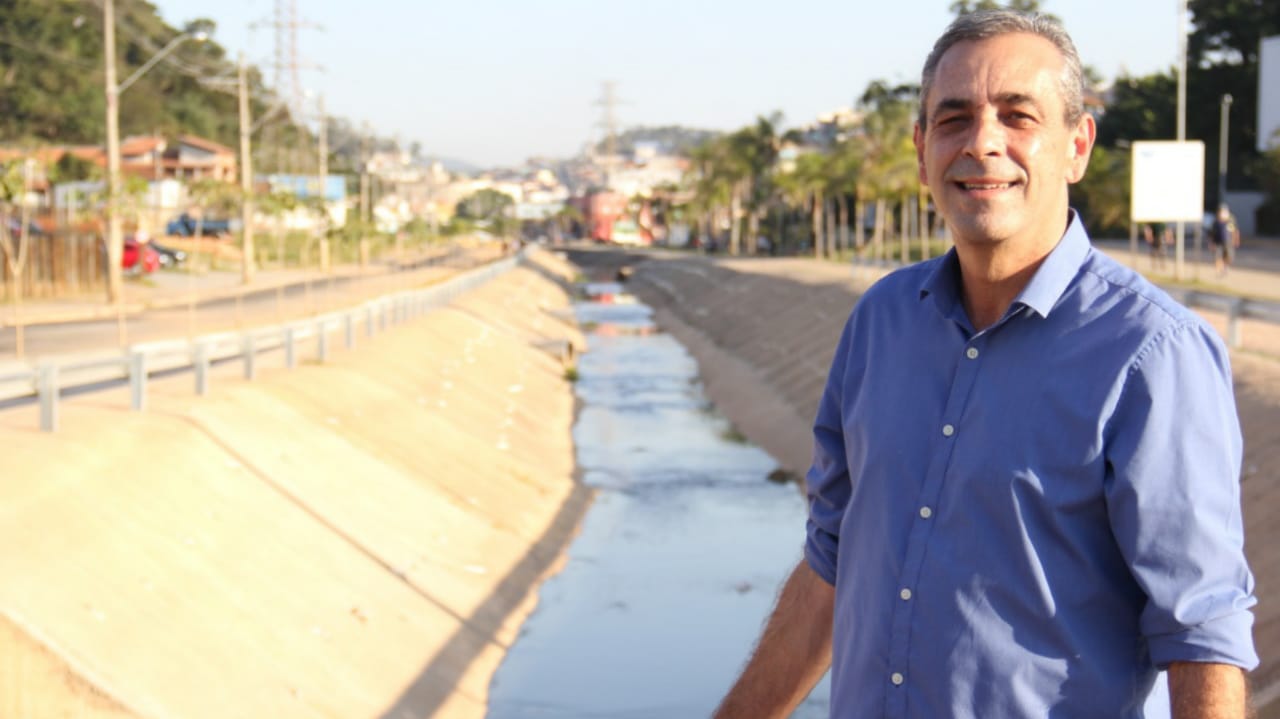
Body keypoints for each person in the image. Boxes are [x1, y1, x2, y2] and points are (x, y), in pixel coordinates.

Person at [714, 10, 1256, 719]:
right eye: (954, 117)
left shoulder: (1152, 354)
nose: (983, 143)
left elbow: (1202, 631)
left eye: (1018, 115)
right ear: (922, 149)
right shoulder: (882, 323)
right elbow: (832, 566)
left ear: (1077, 145)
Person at [1211, 204, 1240, 277]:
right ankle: (1218, 271)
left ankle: (1225, 267)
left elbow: (1234, 230)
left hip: (1228, 241)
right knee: (1218, 256)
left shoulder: (1230, 220)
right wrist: (1212, 242)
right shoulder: (1216, 221)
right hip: (1218, 241)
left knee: (1228, 256)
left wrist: (1236, 239)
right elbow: (1212, 233)